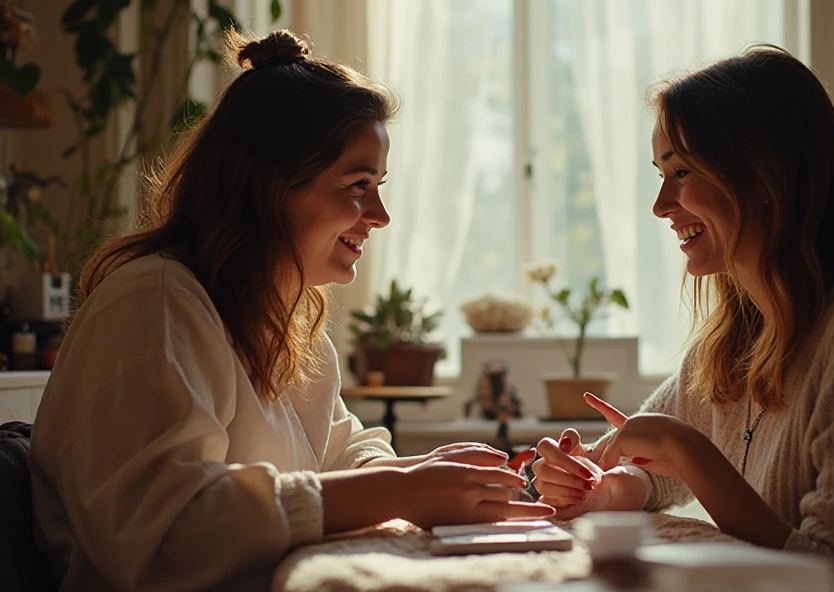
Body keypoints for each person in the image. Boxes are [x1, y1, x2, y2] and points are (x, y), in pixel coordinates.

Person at [29, 29, 552, 592]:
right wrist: (402, 491)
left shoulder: (285, 317)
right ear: (268, 185)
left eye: (378, 186)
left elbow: (338, 456)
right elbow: (164, 534)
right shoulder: (154, 303)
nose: (379, 215)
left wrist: (421, 473)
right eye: (358, 184)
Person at [530, 45, 834, 591]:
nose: (661, 205)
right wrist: (612, 488)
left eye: (681, 171)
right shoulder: (745, 330)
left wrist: (690, 453)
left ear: (764, 177)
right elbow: (649, 462)